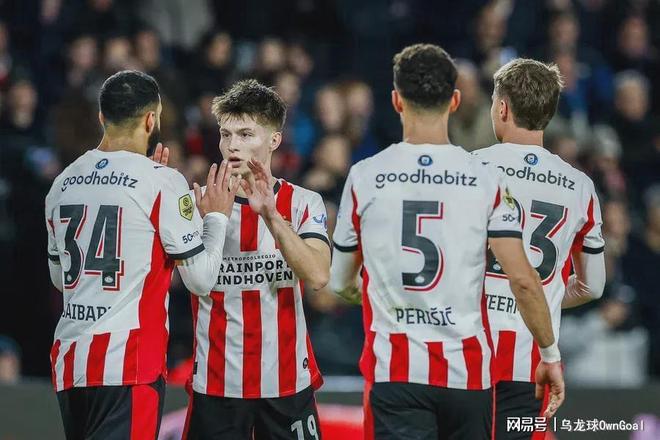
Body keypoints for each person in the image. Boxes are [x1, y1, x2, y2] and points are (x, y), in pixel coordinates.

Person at [329, 44, 564, 440]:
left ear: (396, 100)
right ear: (455, 101)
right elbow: (524, 280)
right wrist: (549, 354)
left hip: (396, 372)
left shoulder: (366, 175)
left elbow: (340, 282)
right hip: (467, 373)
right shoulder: (485, 178)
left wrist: (382, 298)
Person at [45, 70, 239, 440]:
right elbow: (200, 280)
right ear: (151, 120)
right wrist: (216, 218)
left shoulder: (63, 182)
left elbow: (61, 278)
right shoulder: (161, 182)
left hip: (71, 362)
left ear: (102, 117)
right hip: (128, 363)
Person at [182, 79, 331, 439]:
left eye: (246, 134)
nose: (232, 145)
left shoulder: (303, 202)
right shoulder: (194, 204)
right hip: (217, 384)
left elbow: (317, 275)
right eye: (226, 134)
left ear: (274, 140)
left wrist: (271, 216)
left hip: (286, 382)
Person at [474, 58, 606, 440]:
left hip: (466, 358)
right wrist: (543, 299)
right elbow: (593, 286)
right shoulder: (580, 187)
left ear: (502, 108)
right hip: (531, 362)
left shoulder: (469, 168)